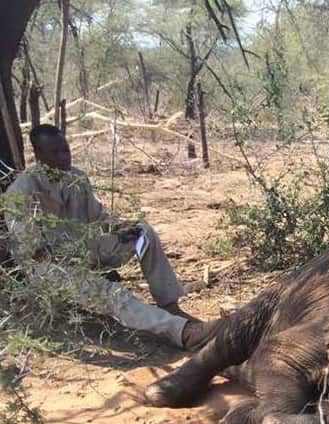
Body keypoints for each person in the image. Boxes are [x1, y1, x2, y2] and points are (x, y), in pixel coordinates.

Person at [2, 124, 214, 349]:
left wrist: (121, 229)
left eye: (66, 150)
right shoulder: (21, 190)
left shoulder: (77, 178)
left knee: (144, 233)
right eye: (55, 153)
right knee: (112, 294)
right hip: (52, 269)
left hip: (86, 250)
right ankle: (181, 332)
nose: (64, 157)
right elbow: (30, 250)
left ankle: (169, 303)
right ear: (39, 155)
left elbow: (99, 218)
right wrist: (70, 268)